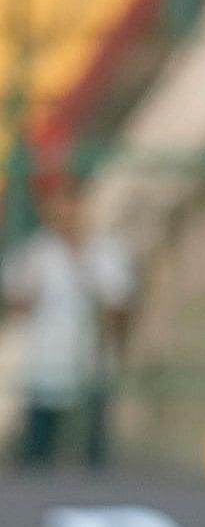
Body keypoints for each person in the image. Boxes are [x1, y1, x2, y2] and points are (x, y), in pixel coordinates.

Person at [1, 172, 135, 469]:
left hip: (91, 364)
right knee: (39, 449)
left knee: (92, 450)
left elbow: (119, 306)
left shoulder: (105, 252)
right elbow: (17, 303)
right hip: (47, 364)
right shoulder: (38, 252)